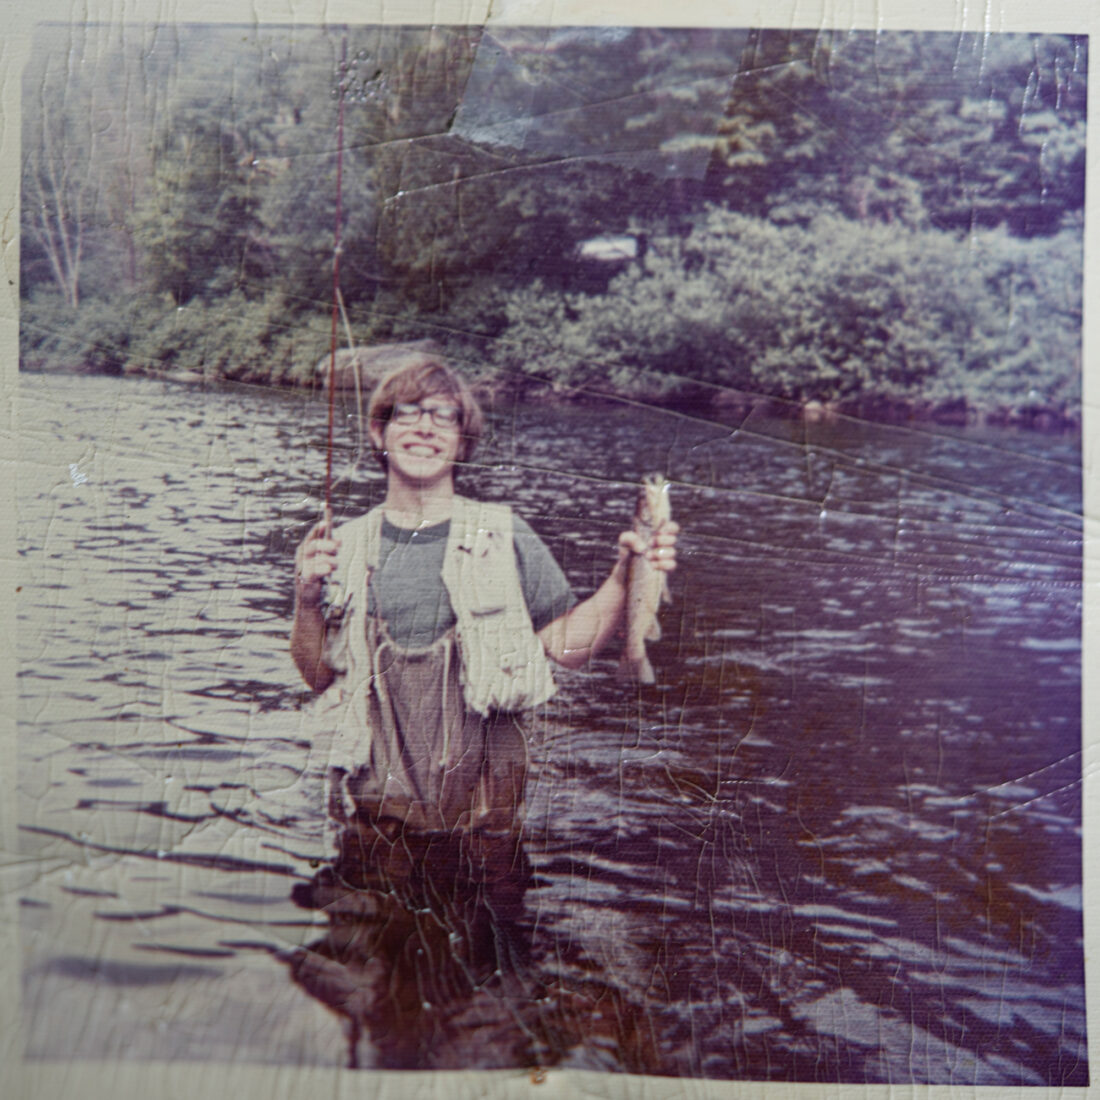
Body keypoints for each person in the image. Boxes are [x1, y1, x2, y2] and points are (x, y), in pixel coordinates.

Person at [291, 354, 678, 858]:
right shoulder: (339, 546)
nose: (425, 427)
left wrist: (626, 574)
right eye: (407, 412)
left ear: (462, 438)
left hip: (485, 828)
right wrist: (305, 600)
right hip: (376, 822)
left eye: (444, 415)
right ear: (378, 433)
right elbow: (316, 673)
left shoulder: (505, 532)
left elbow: (569, 648)